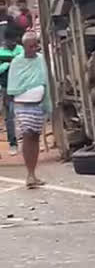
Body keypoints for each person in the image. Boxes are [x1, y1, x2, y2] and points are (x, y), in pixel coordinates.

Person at [7, 31, 52, 188]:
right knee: (27, 135)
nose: (34, 48)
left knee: (34, 137)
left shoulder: (41, 60)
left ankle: (33, 173)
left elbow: (46, 79)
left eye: (36, 45)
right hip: (22, 106)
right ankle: (30, 175)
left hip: (38, 104)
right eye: (30, 46)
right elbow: (13, 86)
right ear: (24, 46)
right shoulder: (17, 62)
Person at [0, 24, 23, 156]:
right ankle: (13, 143)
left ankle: (27, 142)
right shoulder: (1, 52)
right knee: (9, 117)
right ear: (5, 40)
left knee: (25, 114)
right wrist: (7, 65)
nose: (13, 43)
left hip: (22, 87)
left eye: (14, 40)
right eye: (10, 41)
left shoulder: (21, 50)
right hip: (7, 88)